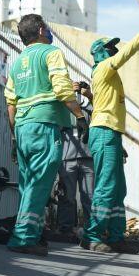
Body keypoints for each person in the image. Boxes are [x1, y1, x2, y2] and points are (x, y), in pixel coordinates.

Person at [80, 13, 139, 253]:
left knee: (118, 189)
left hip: (111, 133)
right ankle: (92, 235)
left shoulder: (108, 76)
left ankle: (117, 236)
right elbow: (127, 53)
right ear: (100, 52)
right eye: (109, 48)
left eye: (113, 48)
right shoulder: (103, 68)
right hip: (104, 131)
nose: (112, 51)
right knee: (107, 186)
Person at [4, 14, 85, 256]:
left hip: (22, 128)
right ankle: (23, 238)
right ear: (41, 30)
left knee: (28, 184)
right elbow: (61, 88)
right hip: (44, 125)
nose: (49, 32)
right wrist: (80, 117)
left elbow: (10, 103)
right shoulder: (51, 53)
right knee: (40, 184)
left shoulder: (17, 63)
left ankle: (34, 235)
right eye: (47, 28)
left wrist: (14, 138)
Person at [55, 81, 95, 238]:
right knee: (67, 195)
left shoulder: (90, 108)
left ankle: (92, 230)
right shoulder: (63, 108)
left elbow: (102, 113)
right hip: (68, 157)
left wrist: (89, 94)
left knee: (89, 196)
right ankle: (65, 228)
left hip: (88, 157)